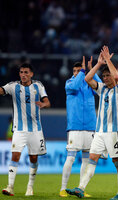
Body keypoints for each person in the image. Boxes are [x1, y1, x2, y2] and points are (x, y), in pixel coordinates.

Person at [66, 46, 118, 200]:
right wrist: (98, 65)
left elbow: (117, 77)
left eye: (108, 75)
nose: (105, 78)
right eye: (104, 76)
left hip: (114, 133)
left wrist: (108, 61)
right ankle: (81, 188)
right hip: (99, 133)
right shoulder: (102, 89)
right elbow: (87, 79)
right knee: (92, 159)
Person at [1, 63, 51, 196]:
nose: (23, 75)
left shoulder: (38, 86)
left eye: (26, 72)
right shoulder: (13, 86)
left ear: (31, 74)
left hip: (35, 129)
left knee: (33, 158)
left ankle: (30, 187)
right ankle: (10, 186)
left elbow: (47, 101)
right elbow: (1, 90)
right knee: (15, 155)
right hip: (19, 129)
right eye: (21, 72)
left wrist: (44, 104)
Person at [59, 56, 101, 197]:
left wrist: (92, 71)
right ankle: (63, 188)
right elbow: (76, 85)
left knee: (85, 159)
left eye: (79, 70)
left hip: (90, 126)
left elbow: (102, 88)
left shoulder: (89, 83)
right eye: (75, 71)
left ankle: (80, 188)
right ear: (73, 72)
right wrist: (84, 71)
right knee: (70, 158)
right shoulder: (69, 83)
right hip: (75, 127)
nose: (77, 73)